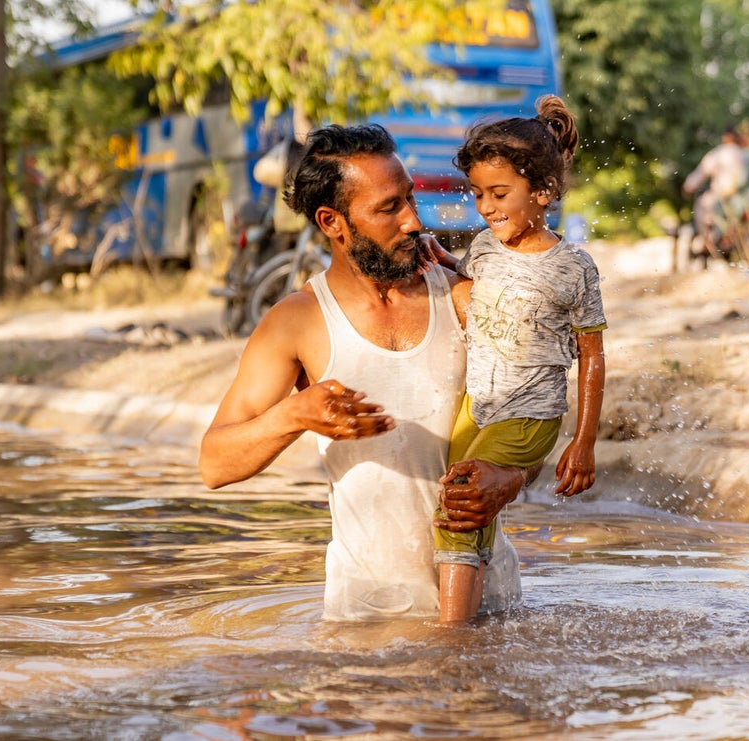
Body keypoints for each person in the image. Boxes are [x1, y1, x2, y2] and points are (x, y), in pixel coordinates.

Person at [198, 123, 527, 622]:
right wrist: (295, 414)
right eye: (388, 207)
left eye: (409, 199)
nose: (414, 222)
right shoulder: (297, 322)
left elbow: (531, 418)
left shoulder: (461, 296)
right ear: (333, 222)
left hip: (490, 604)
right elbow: (215, 465)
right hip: (370, 618)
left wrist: (513, 477)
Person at [432, 94, 607, 623]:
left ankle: (450, 638)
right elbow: (470, 294)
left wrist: (584, 440)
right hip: (477, 405)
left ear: (545, 192)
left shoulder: (572, 266)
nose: (485, 207)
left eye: (499, 193)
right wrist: (440, 261)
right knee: (460, 507)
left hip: (530, 412)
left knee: (461, 505)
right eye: (478, 193)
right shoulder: (483, 247)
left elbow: (592, 356)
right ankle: (484, 623)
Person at [682, 124, 748, 265]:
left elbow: (700, 174)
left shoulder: (719, 153)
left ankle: (707, 243)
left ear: (726, 137)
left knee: (702, 209)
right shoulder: (746, 155)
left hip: (720, 197)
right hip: (742, 200)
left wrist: (688, 187)